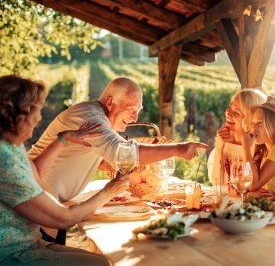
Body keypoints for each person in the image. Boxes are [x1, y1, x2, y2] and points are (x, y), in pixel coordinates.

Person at [0, 74, 130, 265]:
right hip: (12, 253)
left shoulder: (9, 144)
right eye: (37, 110)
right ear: (20, 115)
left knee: (102, 260)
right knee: (99, 264)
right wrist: (110, 190)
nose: (39, 117)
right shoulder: (5, 161)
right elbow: (63, 218)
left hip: (28, 241)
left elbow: (35, 171)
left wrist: (64, 137)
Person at [28, 77, 209, 202]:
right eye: (130, 109)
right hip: (33, 197)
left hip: (44, 198)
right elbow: (125, 153)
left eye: (138, 110)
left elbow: (75, 150)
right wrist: (178, 149)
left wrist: (99, 162)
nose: (135, 118)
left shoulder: (96, 115)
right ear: (109, 103)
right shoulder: (92, 118)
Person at [207, 88, 267, 196]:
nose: (228, 113)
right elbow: (217, 185)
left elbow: (262, 191)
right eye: (229, 108)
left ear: (249, 119)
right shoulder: (223, 141)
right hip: (227, 206)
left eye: (236, 113)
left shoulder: (260, 148)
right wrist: (220, 147)